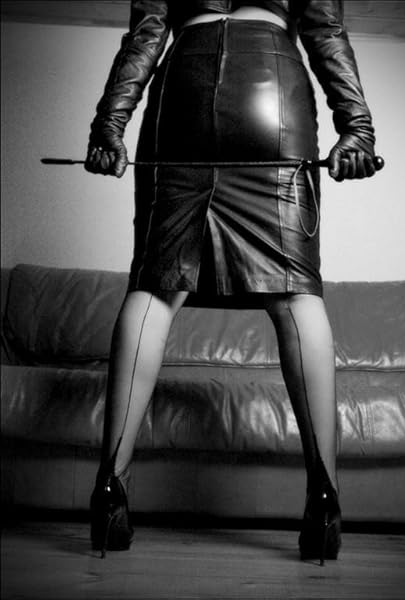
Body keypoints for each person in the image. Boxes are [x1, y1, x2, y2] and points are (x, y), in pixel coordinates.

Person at [85, 0, 380, 564]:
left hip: (183, 93)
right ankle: (323, 499)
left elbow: (147, 33)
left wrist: (109, 126)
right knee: (294, 292)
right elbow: (324, 26)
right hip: (272, 93)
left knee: (154, 290)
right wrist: (357, 128)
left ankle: (108, 490)